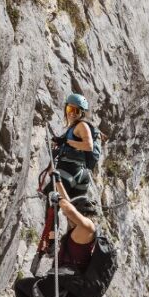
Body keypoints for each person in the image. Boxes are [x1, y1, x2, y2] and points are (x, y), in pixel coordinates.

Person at [33, 94, 96, 270]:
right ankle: (72, 251)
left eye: (76, 111)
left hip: (70, 171)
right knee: (72, 214)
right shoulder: (74, 128)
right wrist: (62, 143)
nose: (72, 113)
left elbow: (88, 145)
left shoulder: (82, 125)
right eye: (69, 109)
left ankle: (52, 242)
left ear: (82, 113)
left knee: (53, 204)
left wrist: (65, 141)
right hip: (80, 175)